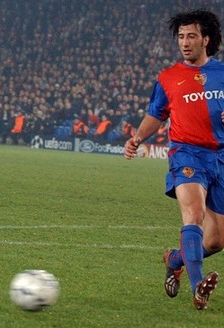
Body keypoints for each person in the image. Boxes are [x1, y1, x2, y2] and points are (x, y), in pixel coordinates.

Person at [124, 9, 222, 310]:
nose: (185, 42)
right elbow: (157, 114)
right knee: (192, 215)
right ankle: (198, 289)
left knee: (217, 240)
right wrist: (138, 138)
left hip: (220, 156)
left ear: (206, 39)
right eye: (181, 37)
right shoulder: (168, 78)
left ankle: (175, 259)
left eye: (191, 36)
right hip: (187, 153)